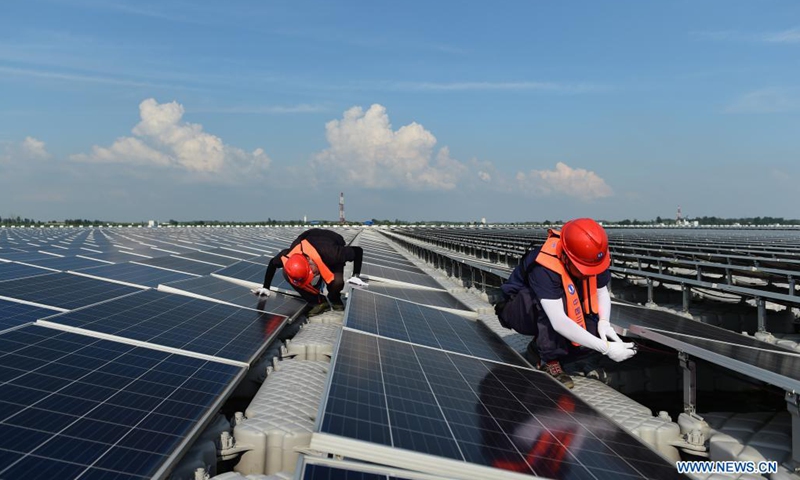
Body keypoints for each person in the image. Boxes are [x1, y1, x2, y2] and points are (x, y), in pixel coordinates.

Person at [495, 218, 636, 388]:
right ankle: (548, 359)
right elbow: (558, 320)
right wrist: (605, 348)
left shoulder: (592, 255)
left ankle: (538, 349)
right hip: (518, 308)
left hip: (551, 306)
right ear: (567, 257)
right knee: (555, 305)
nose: (588, 273)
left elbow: (601, 291)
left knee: (592, 334)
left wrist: (604, 323)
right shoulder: (544, 267)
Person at [252, 228, 366, 316]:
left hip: (331, 240)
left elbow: (358, 251)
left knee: (337, 282)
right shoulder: (288, 256)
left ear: (309, 260)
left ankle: (334, 297)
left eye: (312, 272)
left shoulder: (334, 253)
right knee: (288, 274)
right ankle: (318, 302)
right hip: (307, 236)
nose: (313, 276)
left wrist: (355, 275)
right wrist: (266, 287)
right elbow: (272, 263)